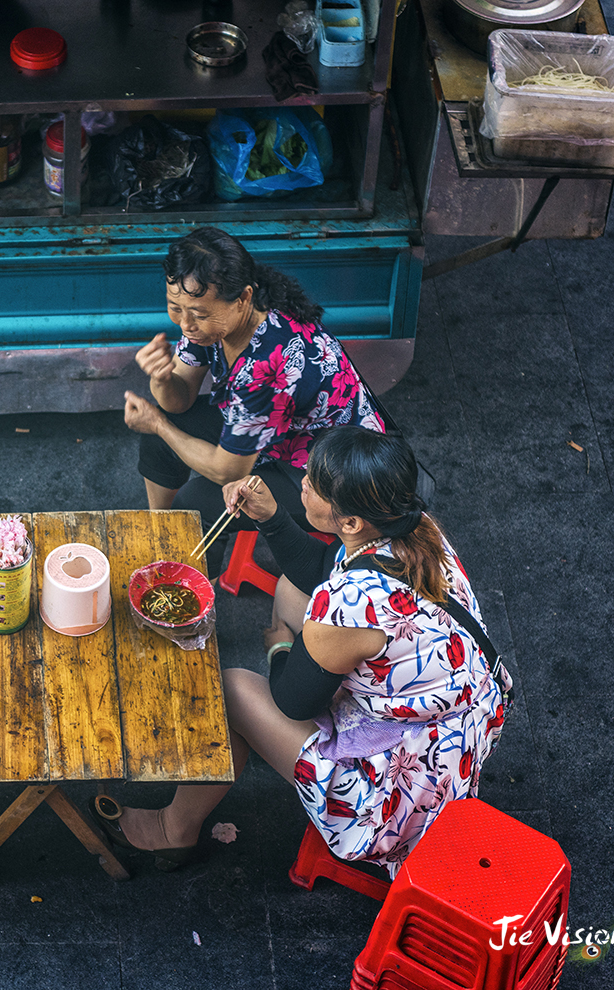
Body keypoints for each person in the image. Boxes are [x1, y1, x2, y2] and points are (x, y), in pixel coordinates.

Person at [93, 426, 510, 876]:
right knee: (294, 591)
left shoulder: (351, 602)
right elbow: (319, 569)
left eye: (313, 482)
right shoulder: (416, 528)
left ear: (350, 523)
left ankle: (173, 831)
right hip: (460, 718)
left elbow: (294, 702)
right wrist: (272, 517)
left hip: (401, 793)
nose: (302, 483)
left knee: (233, 689)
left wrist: (281, 647)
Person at [123, 227, 385, 571]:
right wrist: (162, 378)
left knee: (197, 502)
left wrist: (158, 424)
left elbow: (225, 470)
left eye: (199, 313)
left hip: (326, 468)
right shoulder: (212, 318)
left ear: (243, 298)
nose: (186, 324)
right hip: (272, 433)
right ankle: (163, 535)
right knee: (160, 437)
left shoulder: (267, 367)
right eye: (175, 308)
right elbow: (180, 400)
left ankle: (191, 584)